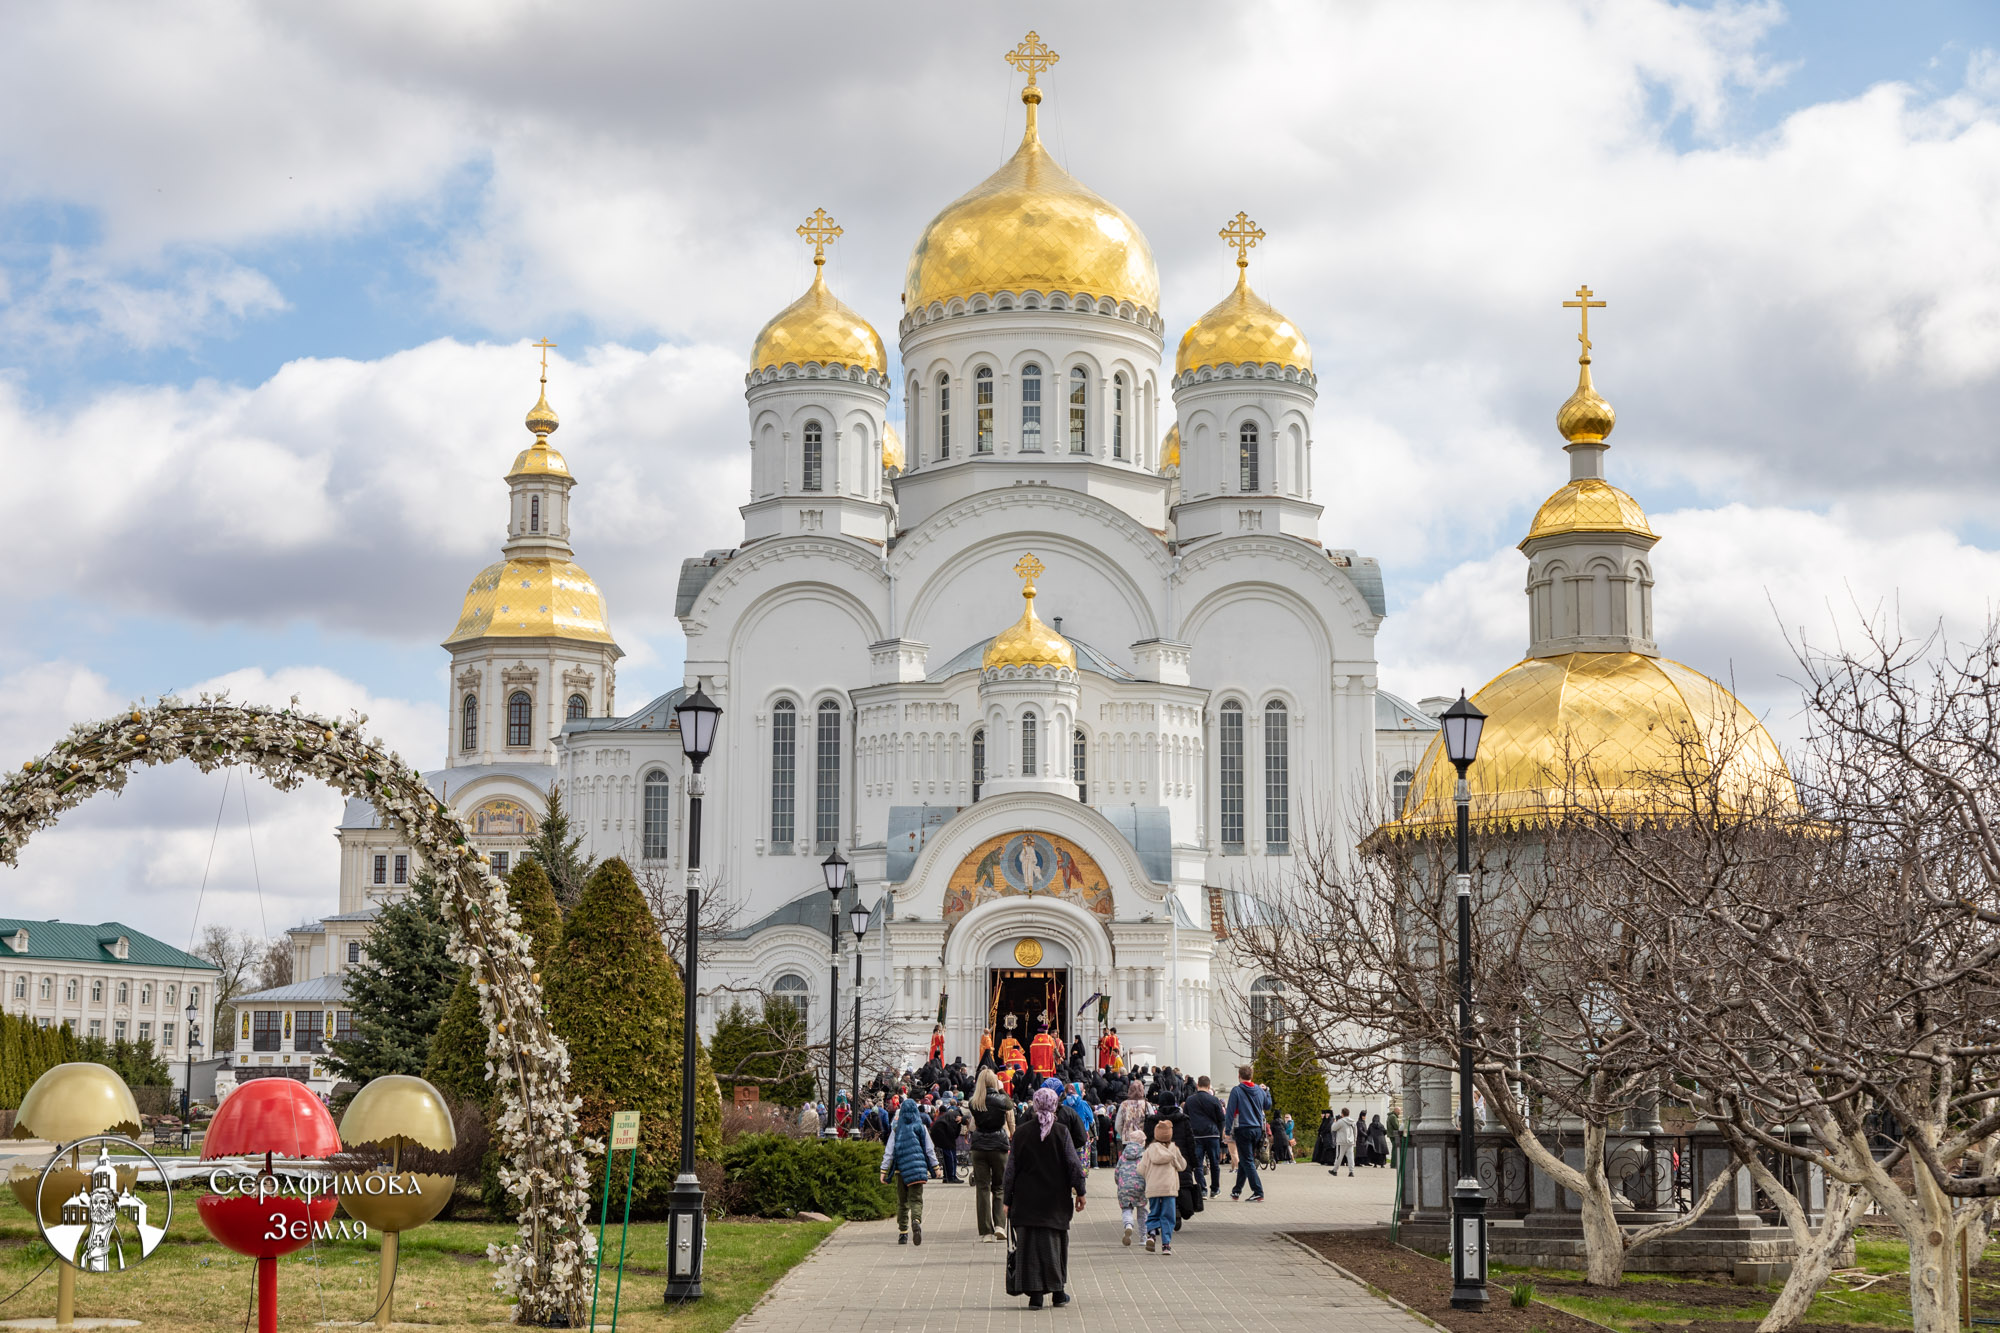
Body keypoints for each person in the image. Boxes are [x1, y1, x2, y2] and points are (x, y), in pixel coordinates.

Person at [1003, 1086, 1086, 1309]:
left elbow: (1010, 1170)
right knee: (1056, 1244)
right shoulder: (1061, 1132)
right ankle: (1058, 1292)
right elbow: (1073, 1165)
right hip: (1055, 1202)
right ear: (1055, 1105)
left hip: (1026, 1200)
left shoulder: (1021, 1133)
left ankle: (1035, 1296)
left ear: (1035, 1104)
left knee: (1028, 1246)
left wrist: (1007, 1200)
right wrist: (1081, 1191)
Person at [880, 1096, 941, 1245]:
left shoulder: (896, 1128)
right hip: (917, 1169)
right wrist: (936, 1167)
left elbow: (890, 1151)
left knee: (902, 1202)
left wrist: (883, 1170)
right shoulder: (921, 1127)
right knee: (916, 1199)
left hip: (901, 1169)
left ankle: (903, 1233)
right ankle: (916, 1220)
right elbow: (929, 1149)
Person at [968, 1068, 1014, 1241]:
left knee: (982, 1188)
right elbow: (1009, 1104)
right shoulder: (1001, 1100)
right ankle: (1000, 1225)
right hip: (998, 1145)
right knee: (999, 1187)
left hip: (979, 1146)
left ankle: (986, 1231)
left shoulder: (974, 1102)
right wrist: (1001, 1088)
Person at [1140, 1117, 1188, 1254]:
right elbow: (1182, 1166)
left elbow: (1141, 1169)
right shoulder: (1174, 1149)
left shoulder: (1149, 1150)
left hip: (1154, 1186)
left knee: (1154, 1212)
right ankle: (1166, 1244)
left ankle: (1152, 1234)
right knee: (1168, 1215)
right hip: (1169, 1187)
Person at [1224, 1065, 1268, 1202]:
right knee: (1244, 1159)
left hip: (1243, 1128)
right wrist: (1268, 1091)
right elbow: (1268, 1105)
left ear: (1239, 1076)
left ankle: (1258, 1191)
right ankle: (1236, 1191)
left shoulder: (1236, 1091)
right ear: (1252, 1076)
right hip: (1257, 1129)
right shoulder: (1260, 1091)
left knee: (1247, 1160)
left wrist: (1226, 1131)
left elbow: (1230, 1111)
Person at [1184, 1075, 1226, 1199]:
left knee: (1197, 1164)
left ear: (1197, 1085)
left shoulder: (1190, 1100)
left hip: (1196, 1135)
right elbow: (1221, 1119)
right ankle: (1215, 1189)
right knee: (1214, 1163)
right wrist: (1218, 1132)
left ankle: (1202, 1189)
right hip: (1212, 1134)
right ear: (1209, 1086)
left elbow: (1185, 1117)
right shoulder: (1214, 1100)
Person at [1113, 1115, 1147, 1246]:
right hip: (1140, 1186)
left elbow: (1117, 1171)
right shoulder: (1144, 1155)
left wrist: (1119, 1182)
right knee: (1142, 1211)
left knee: (1127, 1209)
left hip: (1124, 1186)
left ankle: (1128, 1225)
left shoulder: (1123, 1156)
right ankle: (1143, 1237)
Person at [932, 1095, 965, 1184]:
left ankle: (947, 1177)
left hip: (938, 1133)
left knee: (947, 1155)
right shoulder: (957, 1116)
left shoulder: (951, 1114)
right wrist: (952, 1142)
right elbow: (954, 1131)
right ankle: (952, 1177)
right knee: (951, 1155)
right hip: (944, 1134)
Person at [1330, 1107, 1357, 1177]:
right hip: (1350, 1142)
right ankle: (1351, 1171)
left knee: (1339, 1157)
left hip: (1341, 1142)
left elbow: (1333, 1128)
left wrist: (1335, 1121)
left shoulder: (1341, 1121)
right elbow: (1355, 1132)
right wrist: (1354, 1140)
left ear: (1342, 1114)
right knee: (1350, 1157)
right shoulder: (1353, 1121)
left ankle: (1335, 1170)